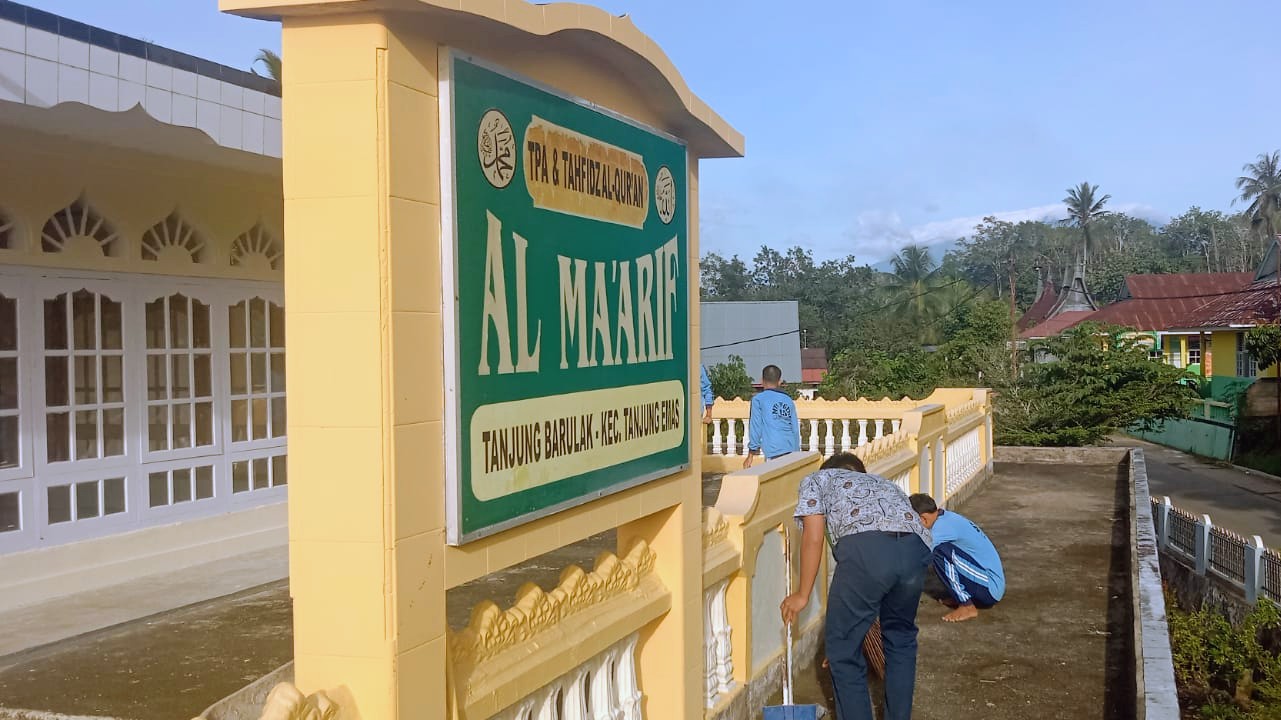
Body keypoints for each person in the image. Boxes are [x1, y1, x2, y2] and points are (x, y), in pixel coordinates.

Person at [781, 452, 931, 720]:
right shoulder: (884, 483)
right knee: (900, 638)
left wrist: (802, 595)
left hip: (866, 552)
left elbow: (813, 538)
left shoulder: (817, 479)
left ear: (828, 469)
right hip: (916, 548)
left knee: (843, 652)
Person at [909, 494, 1005, 623]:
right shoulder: (945, 517)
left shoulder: (940, 529)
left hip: (990, 589)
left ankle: (967, 605)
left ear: (923, 519)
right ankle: (961, 596)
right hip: (986, 581)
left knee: (940, 553)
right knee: (939, 553)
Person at [743, 364, 800, 468]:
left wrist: (751, 454)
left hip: (773, 451)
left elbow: (756, 428)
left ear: (762, 381)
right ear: (779, 381)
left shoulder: (758, 400)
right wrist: (796, 453)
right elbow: (795, 429)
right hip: (791, 449)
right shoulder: (788, 400)